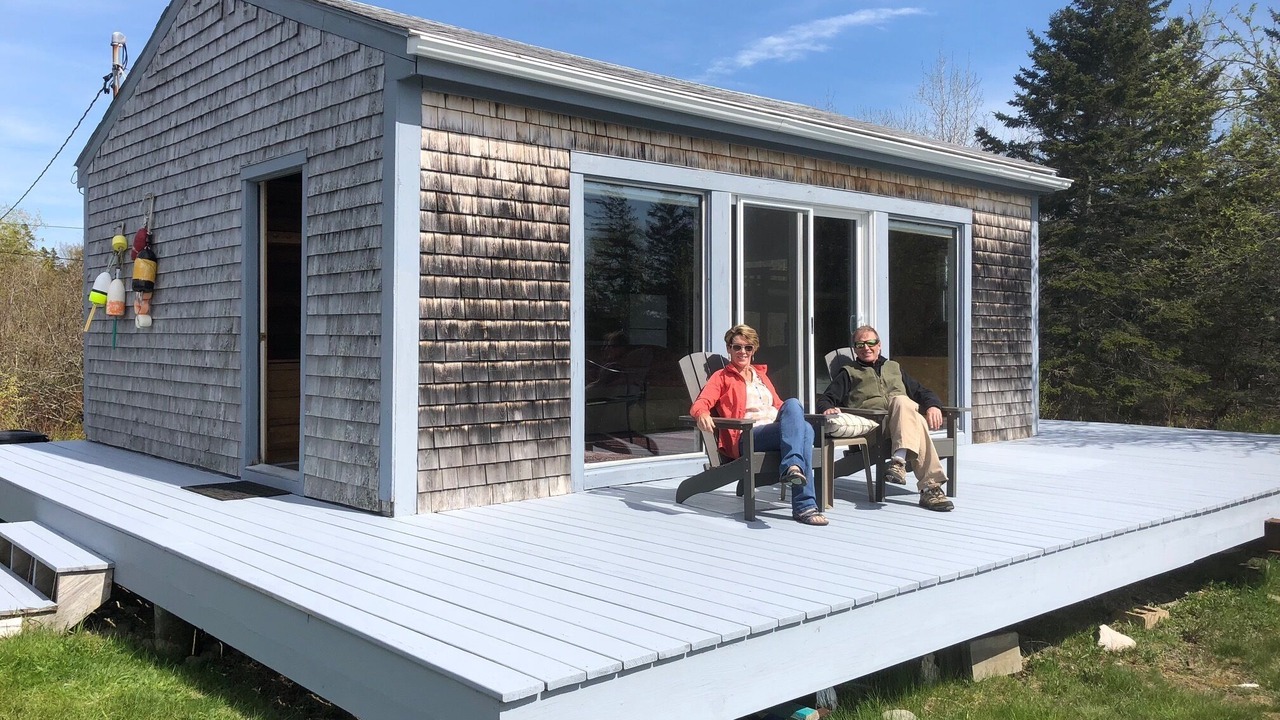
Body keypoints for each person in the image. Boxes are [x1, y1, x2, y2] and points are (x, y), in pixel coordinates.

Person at [690, 324, 829, 526]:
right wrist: (702, 413)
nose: (742, 352)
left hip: (774, 431)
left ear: (754, 350)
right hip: (747, 436)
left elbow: (779, 405)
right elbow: (701, 403)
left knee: (795, 410)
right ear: (728, 349)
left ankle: (793, 468)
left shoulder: (760, 376)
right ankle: (803, 503)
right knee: (805, 430)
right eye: (737, 347)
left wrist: (794, 414)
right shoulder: (721, 377)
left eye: (748, 347)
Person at [817, 325, 955, 512]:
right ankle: (930, 487)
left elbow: (922, 391)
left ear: (879, 345)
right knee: (911, 412)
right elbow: (825, 398)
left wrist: (933, 405)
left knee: (906, 406)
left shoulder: (894, 368)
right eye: (860, 344)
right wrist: (827, 408)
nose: (866, 347)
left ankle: (899, 462)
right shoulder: (848, 373)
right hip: (875, 428)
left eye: (871, 342)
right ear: (855, 348)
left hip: (901, 425)